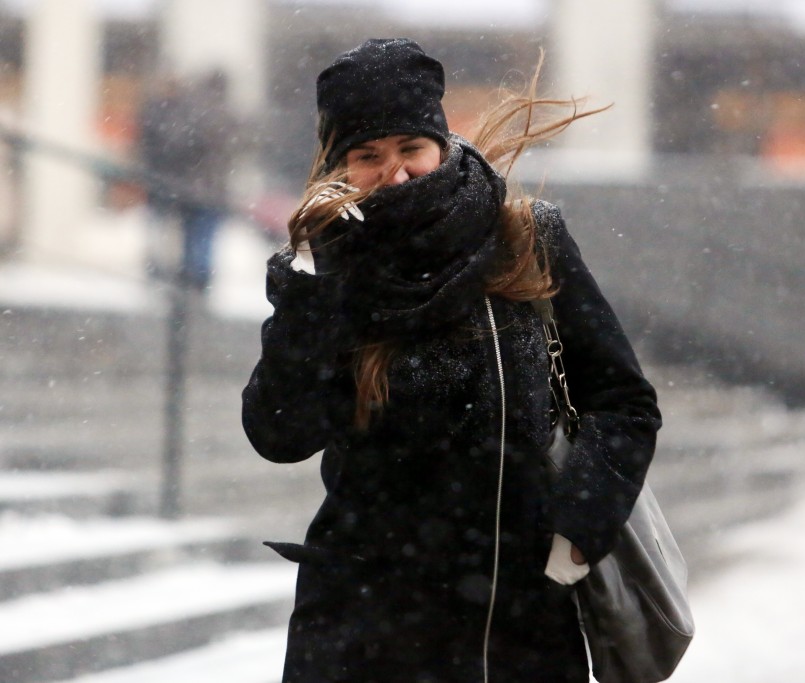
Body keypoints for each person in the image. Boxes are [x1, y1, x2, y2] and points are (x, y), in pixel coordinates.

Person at [241, 38, 661, 682]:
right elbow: (279, 433)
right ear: (338, 165)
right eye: (367, 156)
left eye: (410, 149)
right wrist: (306, 302)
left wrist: (577, 530)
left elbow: (623, 400)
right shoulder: (329, 271)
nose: (395, 173)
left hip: (512, 623)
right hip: (363, 633)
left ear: (441, 143)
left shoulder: (524, 239)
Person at [138, 70, 235, 290]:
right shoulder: (224, 114)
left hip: (189, 188)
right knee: (200, 237)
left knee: (185, 234)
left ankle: (183, 275)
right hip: (208, 190)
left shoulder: (190, 113)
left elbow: (177, 146)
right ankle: (196, 277)